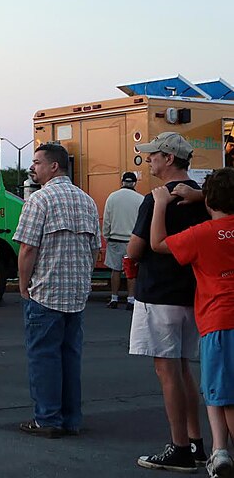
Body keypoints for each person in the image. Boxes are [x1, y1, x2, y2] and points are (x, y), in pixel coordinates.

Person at [127, 132, 210, 471]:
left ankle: (178, 447)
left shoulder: (155, 199)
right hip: (192, 292)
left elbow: (135, 248)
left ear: (168, 158)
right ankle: (197, 442)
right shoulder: (202, 199)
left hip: (159, 293)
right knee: (183, 367)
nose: (149, 160)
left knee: (167, 370)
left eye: (153, 155)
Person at [149, 167, 234, 478]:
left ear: (209, 200)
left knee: (220, 392)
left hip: (218, 319)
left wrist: (160, 203)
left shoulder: (202, 235)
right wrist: (201, 194)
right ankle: (218, 451)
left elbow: (158, 243)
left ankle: (222, 451)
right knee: (221, 392)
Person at [13, 143, 101, 438]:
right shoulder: (87, 201)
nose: (32, 168)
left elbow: (27, 248)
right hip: (76, 294)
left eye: (37, 163)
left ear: (54, 166)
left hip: (46, 292)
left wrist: (23, 286)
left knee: (43, 357)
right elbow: (94, 248)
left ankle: (47, 419)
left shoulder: (39, 201)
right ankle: (71, 419)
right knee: (70, 357)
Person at [103, 171, 144, 310]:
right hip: (132, 240)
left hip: (115, 239)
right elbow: (142, 221)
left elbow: (107, 219)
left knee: (115, 270)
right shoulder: (140, 199)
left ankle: (114, 298)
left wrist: (106, 235)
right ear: (134, 183)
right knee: (130, 271)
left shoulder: (112, 197)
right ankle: (131, 299)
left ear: (122, 182)